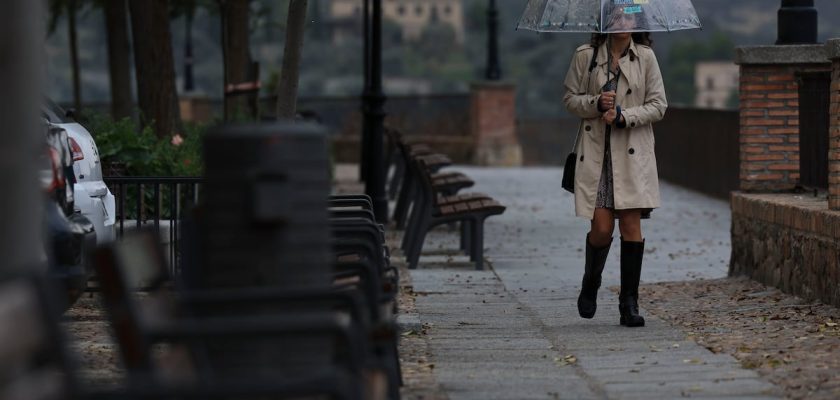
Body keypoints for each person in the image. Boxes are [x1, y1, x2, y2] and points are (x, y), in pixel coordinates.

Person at [562, 7, 667, 328]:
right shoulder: (586, 56)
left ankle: (629, 303)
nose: (623, 23)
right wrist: (595, 104)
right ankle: (590, 283)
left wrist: (624, 116)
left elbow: (659, 105)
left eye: (629, 17)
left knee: (632, 227)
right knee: (602, 229)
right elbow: (570, 99)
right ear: (604, 22)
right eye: (617, 17)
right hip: (596, 155)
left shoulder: (646, 57)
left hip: (632, 154)